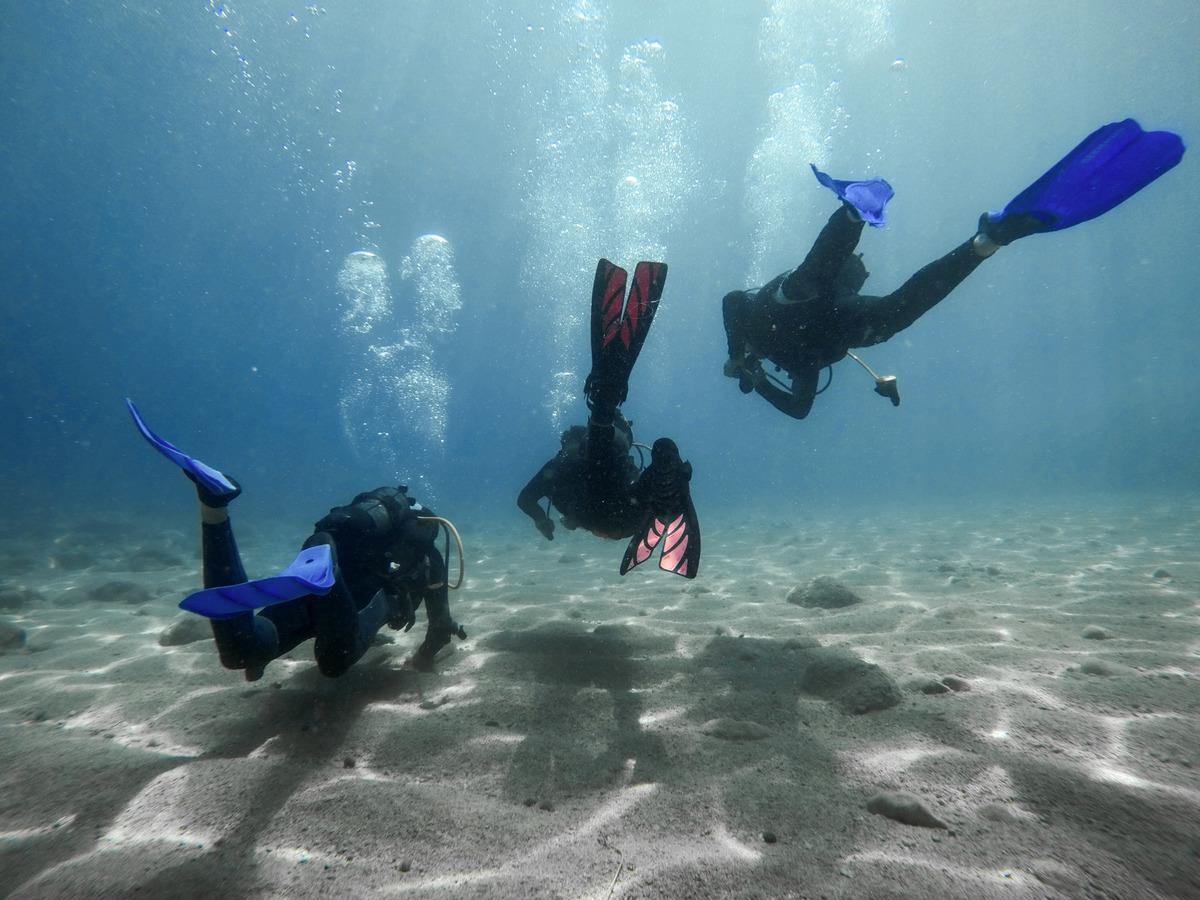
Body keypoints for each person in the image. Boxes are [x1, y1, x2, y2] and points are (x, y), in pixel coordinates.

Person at [723, 118, 1186, 419]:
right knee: (885, 310)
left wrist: (740, 355)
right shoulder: (798, 356)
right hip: (826, 323)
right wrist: (755, 373)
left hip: (795, 312)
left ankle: (862, 217)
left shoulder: (757, 332)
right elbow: (800, 410)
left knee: (814, 286)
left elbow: (733, 302)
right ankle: (981, 242)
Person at [126, 400, 466, 681]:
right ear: (430, 526)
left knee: (243, 650)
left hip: (316, 578)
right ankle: (325, 574)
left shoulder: (372, 538)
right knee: (334, 662)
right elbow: (437, 631)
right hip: (348, 599)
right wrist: (424, 657)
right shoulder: (428, 558)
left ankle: (214, 506)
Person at [517, 259, 701, 579]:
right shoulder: (581, 460)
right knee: (650, 451)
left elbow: (525, 499)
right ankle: (607, 408)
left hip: (603, 512)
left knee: (605, 450)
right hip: (627, 514)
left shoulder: (562, 464)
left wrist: (542, 520)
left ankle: (604, 406)